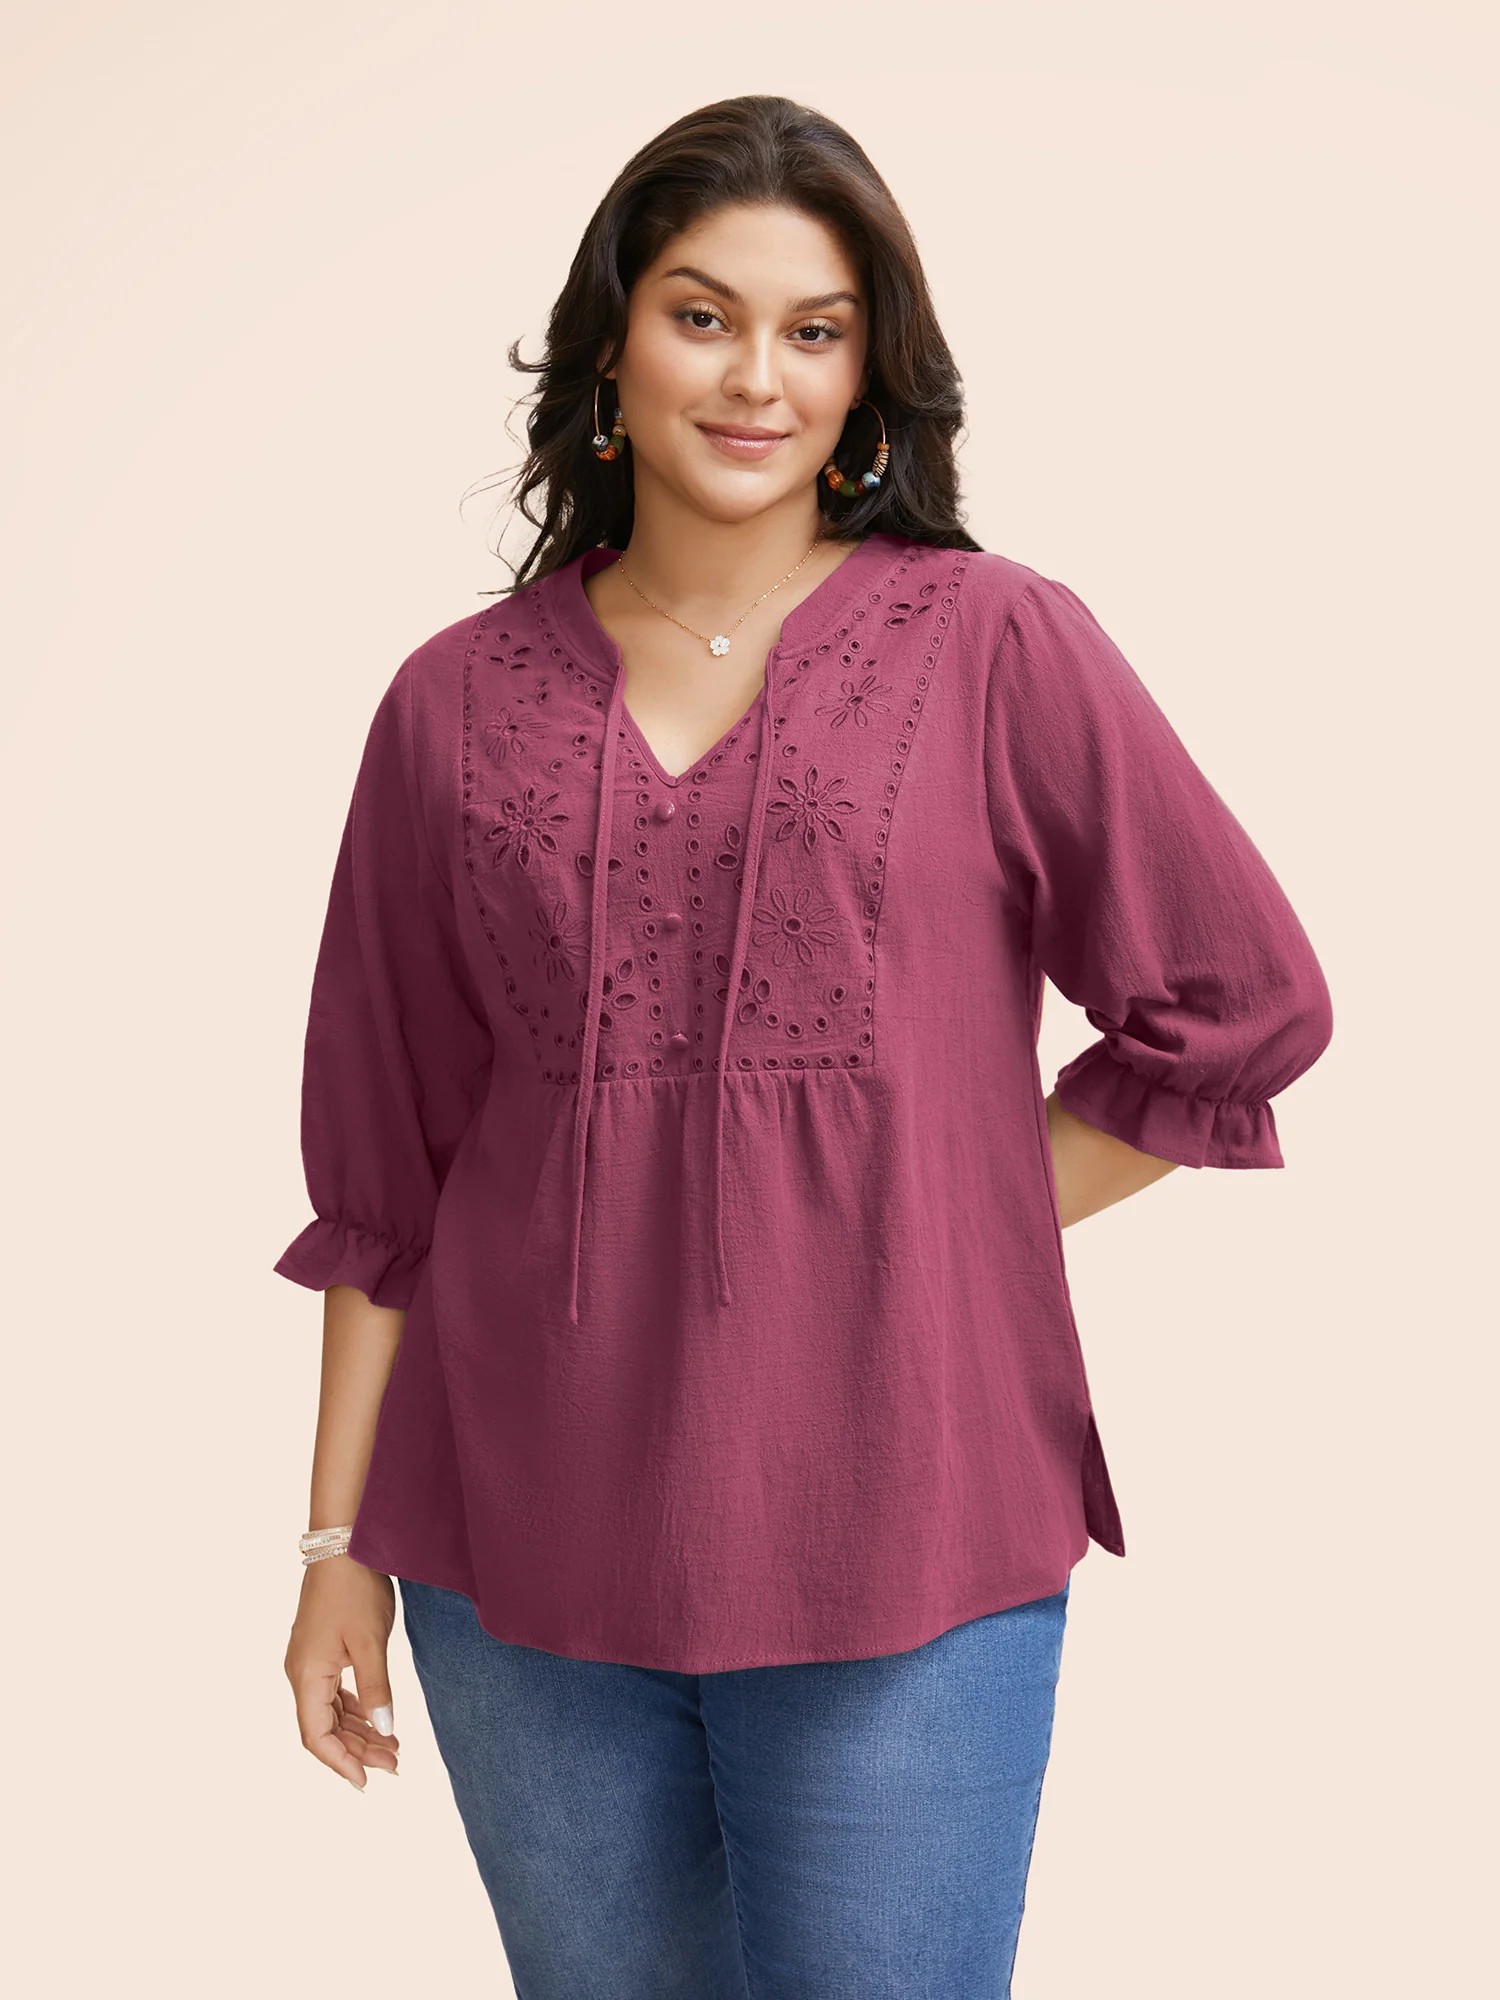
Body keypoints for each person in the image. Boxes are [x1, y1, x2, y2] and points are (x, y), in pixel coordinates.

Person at [276, 94, 1333, 1999]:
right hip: (516, 1546)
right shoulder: (451, 704)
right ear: (613, 346)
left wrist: (946, 1212)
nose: (755, 376)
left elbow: (1240, 1003)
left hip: (905, 1520)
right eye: (703, 316)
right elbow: (386, 1169)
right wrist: (333, 1538)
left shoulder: (998, 642)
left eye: (814, 330)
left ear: (868, 377)